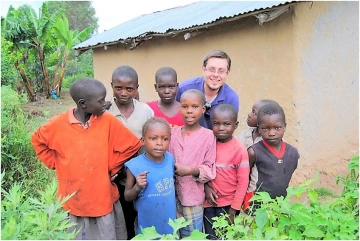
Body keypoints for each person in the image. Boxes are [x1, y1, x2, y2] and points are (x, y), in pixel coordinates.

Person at [31, 77, 142, 240]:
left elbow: (132, 145)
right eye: (101, 101)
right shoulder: (57, 124)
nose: (105, 104)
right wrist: (58, 164)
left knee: (106, 232)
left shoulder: (108, 121)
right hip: (72, 198)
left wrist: (111, 166)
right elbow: (37, 141)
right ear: (83, 103)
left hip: (101, 196)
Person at [106, 65, 154, 239]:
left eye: (129, 89)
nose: (123, 93)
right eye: (118, 88)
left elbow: (151, 140)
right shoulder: (105, 111)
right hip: (116, 177)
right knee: (123, 218)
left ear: (136, 89)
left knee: (142, 215)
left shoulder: (145, 111)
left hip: (141, 175)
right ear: (112, 86)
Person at [168, 89, 216, 238]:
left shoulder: (208, 136)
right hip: (170, 197)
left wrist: (191, 170)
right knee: (173, 234)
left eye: (194, 107)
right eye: (185, 106)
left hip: (193, 198)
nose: (189, 111)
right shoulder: (172, 134)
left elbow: (210, 168)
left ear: (203, 109)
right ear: (179, 108)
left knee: (192, 236)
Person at [203, 104, 250, 240]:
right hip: (209, 203)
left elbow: (243, 183)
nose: (221, 128)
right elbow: (203, 169)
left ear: (235, 125)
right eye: (216, 124)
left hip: (229, 205)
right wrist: (206, 187)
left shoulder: (239, 150)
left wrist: (234, 210)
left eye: (226, 124)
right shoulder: (209, 144)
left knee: (226, 237)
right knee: (210, 237)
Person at [124, 117, 176, 235]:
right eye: (153, 138)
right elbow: (127, 197)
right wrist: (137, 187)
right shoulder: (134, 166)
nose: (159, 143)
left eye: (165, 139)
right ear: (143, 140)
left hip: (169, 224)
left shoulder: (170, 159)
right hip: (147, 227)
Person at [248, 102, 299, 210]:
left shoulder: (293, 153)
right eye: (265, 128)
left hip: (280, 205)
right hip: (256, 206)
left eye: (277, 128)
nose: (271, 133)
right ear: (259, 128)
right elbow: (245, 178)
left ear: (285, 127)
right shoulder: (253, 152)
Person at [175, 50, 239, 130]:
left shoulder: (231, 99)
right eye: (211, 69)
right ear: (203, 70)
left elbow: (228, 130)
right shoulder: (184, 89)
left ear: (227, 73)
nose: (215, 75)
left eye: (221, 71)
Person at [237, 99, 280, 211]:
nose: (249, 115)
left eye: (254, 113)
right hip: (243, 185)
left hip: (258, 189)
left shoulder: (271, 141)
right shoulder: (246, 134)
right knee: (246, 217)